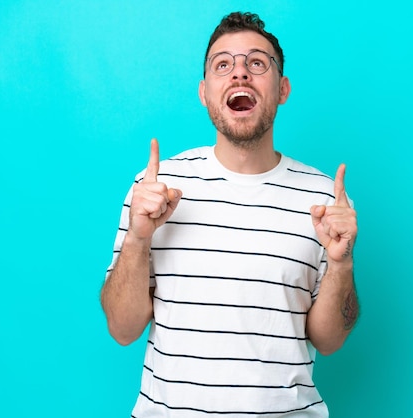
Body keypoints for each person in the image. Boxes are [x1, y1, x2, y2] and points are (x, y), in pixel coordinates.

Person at [101, 11, 359, 417]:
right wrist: (137, 238)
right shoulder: (154, 188)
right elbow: (122, 328)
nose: (240, 74)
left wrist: (341, 263)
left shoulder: (325, 199)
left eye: (257, 63)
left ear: (282, 89)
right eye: (223, 64)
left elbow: (328, 340)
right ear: (205, 91)